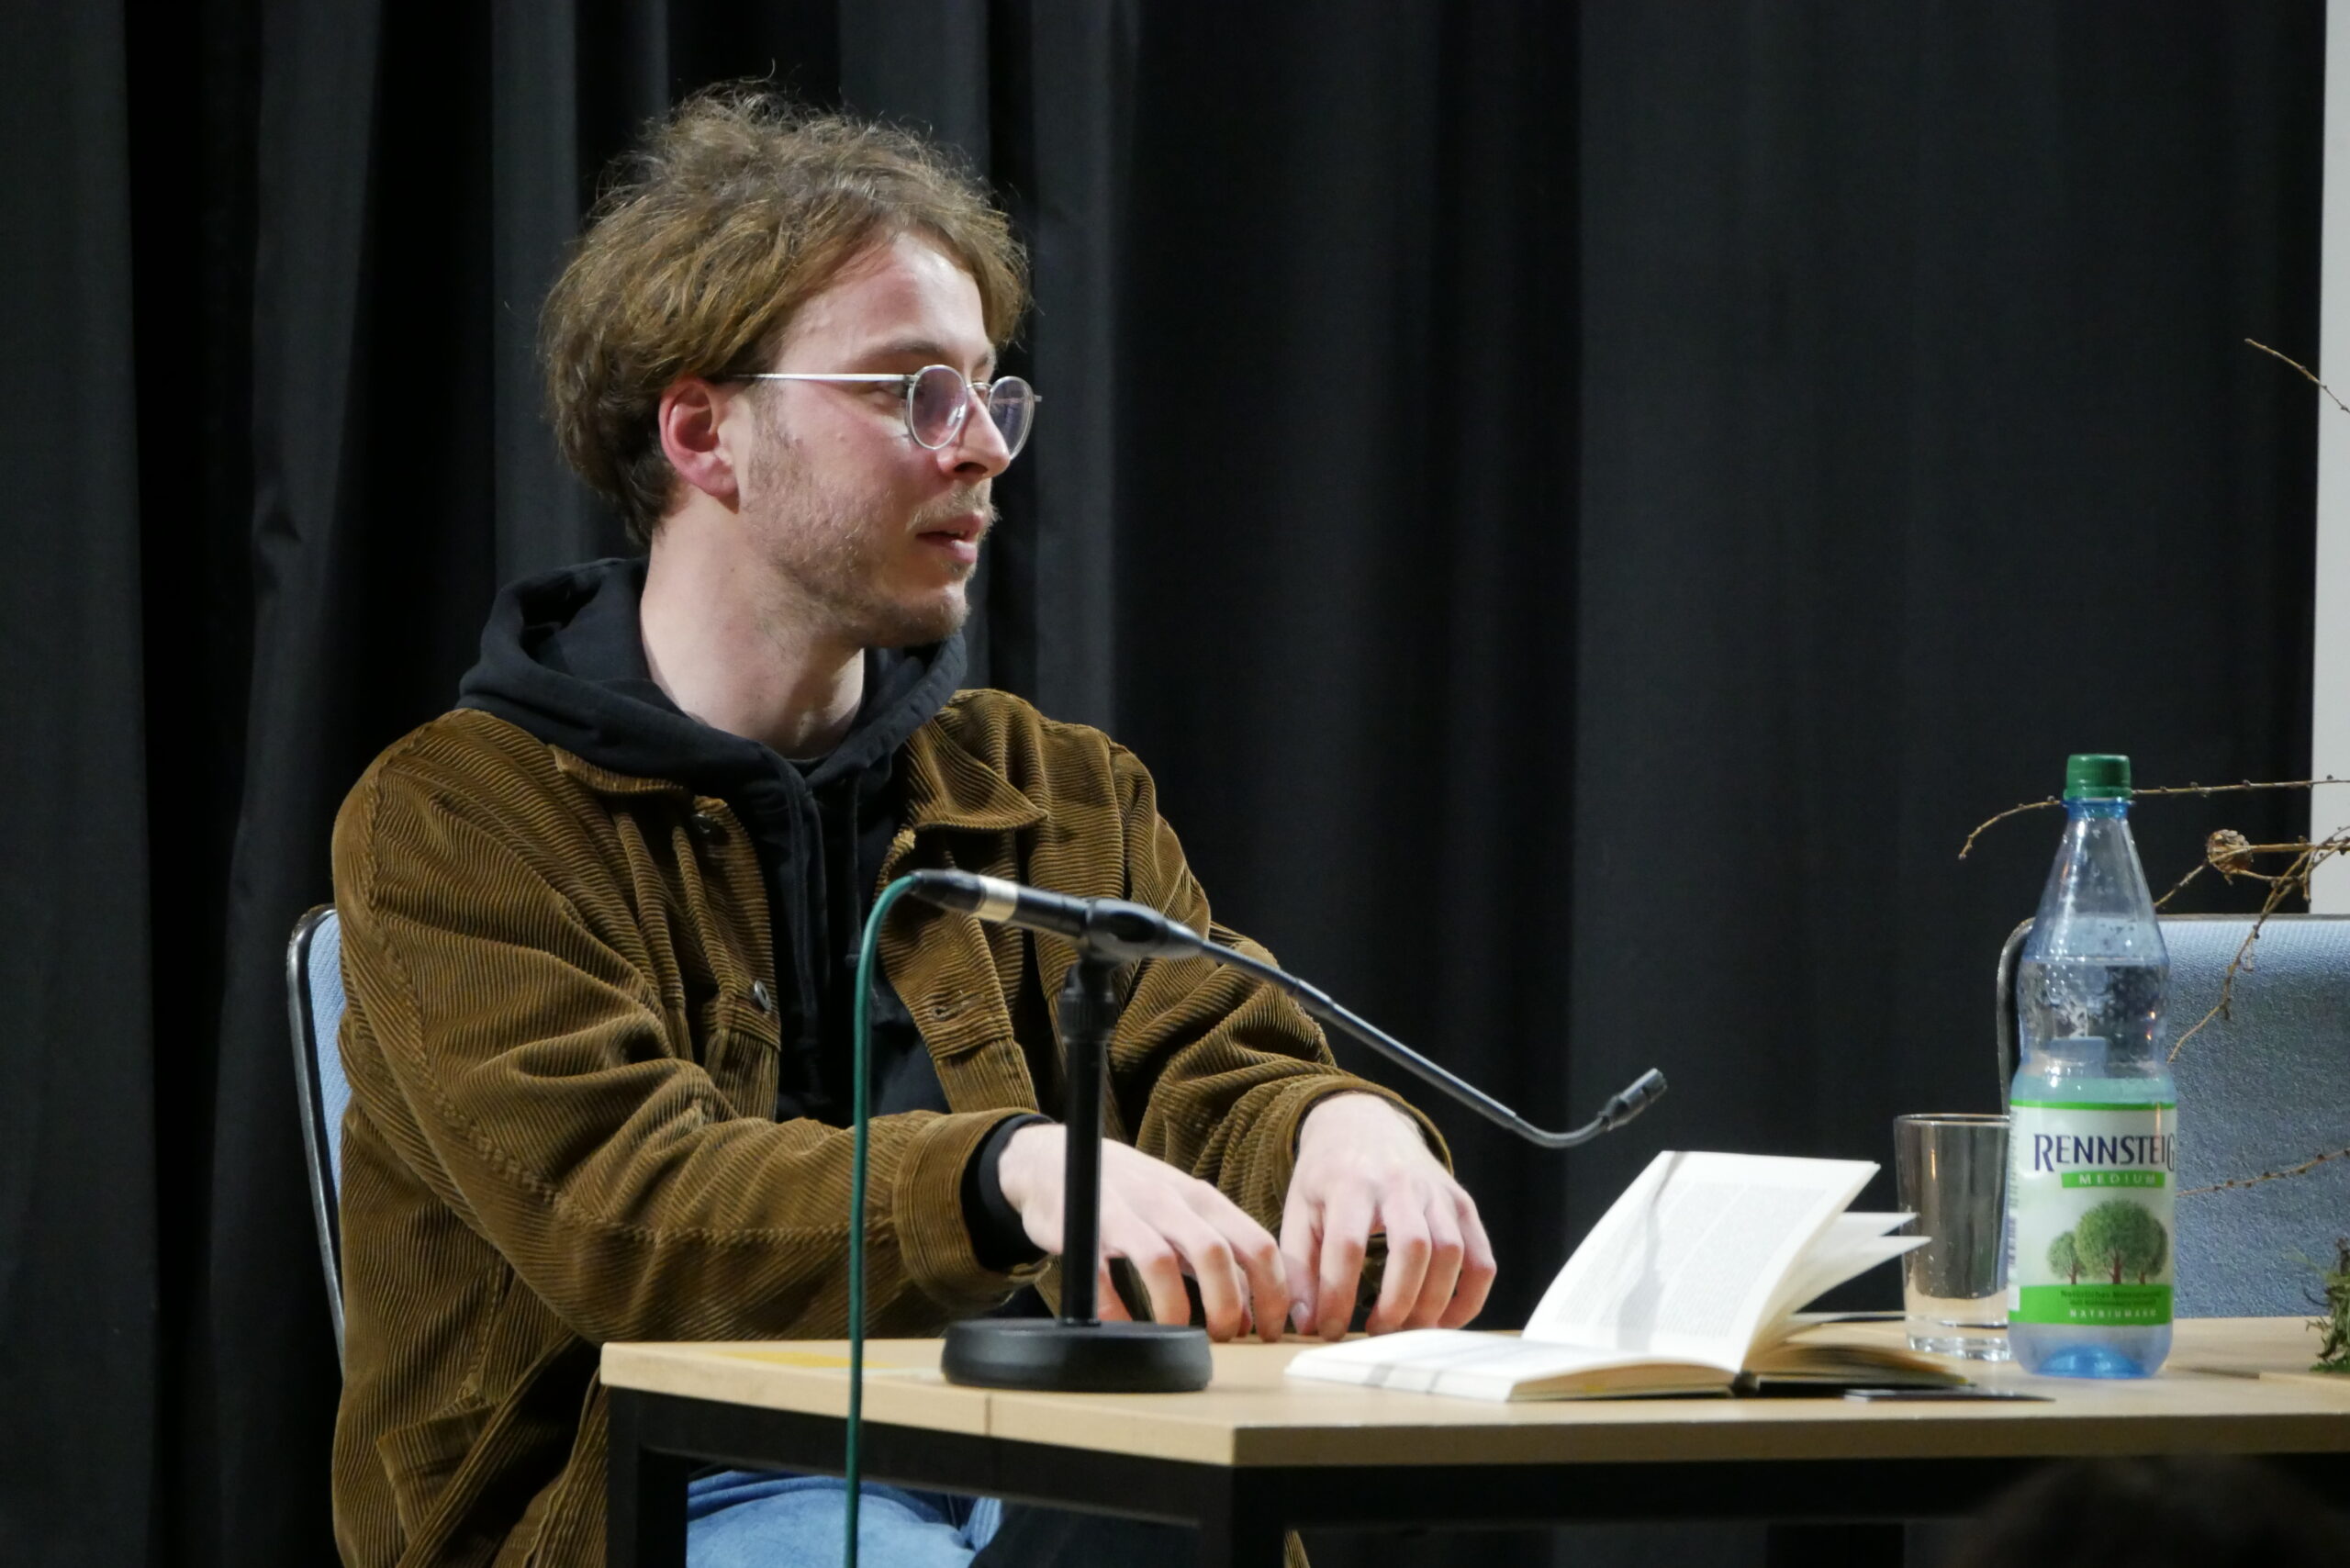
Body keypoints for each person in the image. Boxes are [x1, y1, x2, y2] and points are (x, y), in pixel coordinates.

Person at [328, 88, 1494, 1568]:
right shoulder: (458, 818)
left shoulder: (1053, 788)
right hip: (645, 1499)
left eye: (993, 394)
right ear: (704, 431)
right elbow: (621, 1215)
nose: (984, 447)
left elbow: (1212, 1058)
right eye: (911, 392)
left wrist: (1339, 1126)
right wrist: (1004, 1173)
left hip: (1032, 1459)